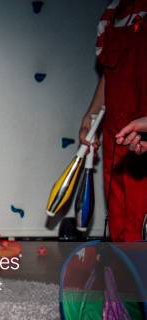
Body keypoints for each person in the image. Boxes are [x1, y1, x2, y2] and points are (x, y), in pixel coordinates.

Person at [79, 0, 147, 242]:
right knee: (118, 215)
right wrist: (91, 115)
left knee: (141, 218)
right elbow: (110, 74)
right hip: (116, 131)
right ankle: (123, 273)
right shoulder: (113, 13)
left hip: (144, 129)